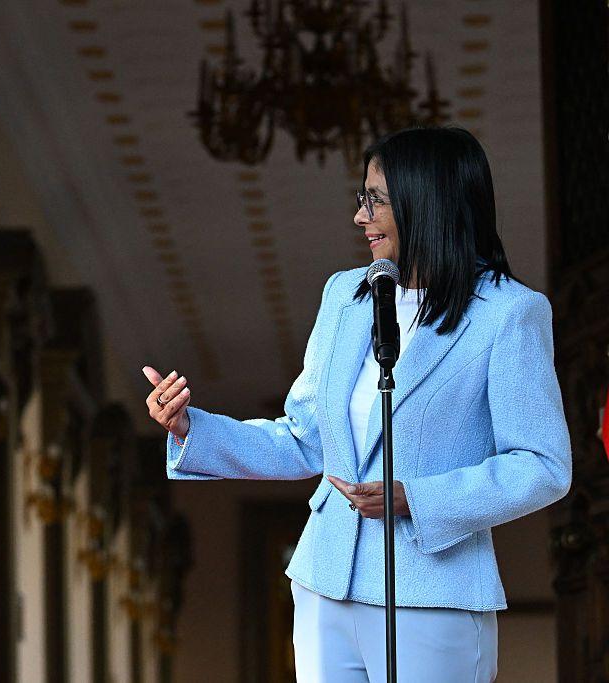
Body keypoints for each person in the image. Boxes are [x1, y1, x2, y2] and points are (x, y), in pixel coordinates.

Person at [143, 126, 571, 682]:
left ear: (426, 201)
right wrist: (187, 428)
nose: (359, 217)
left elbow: (543, 466)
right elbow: (303, 439)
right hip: (325, 581)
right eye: (361, 198)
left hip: (433, 590)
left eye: (375, 201)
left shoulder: (508, 314)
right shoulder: (345, 295)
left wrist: (415, 498)